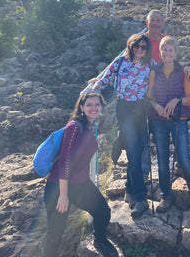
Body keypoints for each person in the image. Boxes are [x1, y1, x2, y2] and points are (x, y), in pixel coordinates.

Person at [43, 92, 118, 257]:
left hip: (80, 184)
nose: (93, 107)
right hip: (59, 187)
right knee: (55, 233)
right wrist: (63, 195)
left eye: (97, 104)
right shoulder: (75, 126)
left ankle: (99, 239)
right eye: (89, 104)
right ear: (82, 107)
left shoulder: (89, 127)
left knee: (103, 211)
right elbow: (65, 162)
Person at [92, 33, 153, 218]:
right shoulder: (120, 62)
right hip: (125, 109)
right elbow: (106, 77)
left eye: (143, 47)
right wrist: (95, 86)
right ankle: (141, 199)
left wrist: (186, 71)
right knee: (134, 152)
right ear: (131, 46)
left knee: (139, 148)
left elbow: (169, 70)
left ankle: (129, 190)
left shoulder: (150, 64)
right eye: (137, 46)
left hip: (141, 109)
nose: (140, 50)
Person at [147, 36, 190, 212]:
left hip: (179, 120)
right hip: (158, 120)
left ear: (176, 52)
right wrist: (157, 106)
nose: (167, 53)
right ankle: (165, 197)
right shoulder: (154, 71)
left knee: (184, 157)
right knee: (162, 160)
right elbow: (149, 95)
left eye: (171, 50)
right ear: (160, 52)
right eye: (164, 50)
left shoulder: (184, 72)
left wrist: (176, 100)